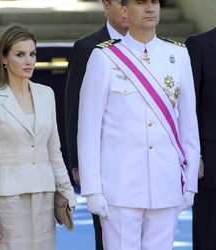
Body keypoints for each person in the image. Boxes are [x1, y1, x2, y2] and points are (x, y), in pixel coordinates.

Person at [77, 0, 200, 249]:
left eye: (154, 2)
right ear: (124, 10)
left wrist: (190, 182)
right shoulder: (104, 57)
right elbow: (88, 129)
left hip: (165, 181)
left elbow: (188, 123)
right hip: (119, 185)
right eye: (140, 2)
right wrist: (92, 189)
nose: (150, 8)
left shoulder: (178, 55)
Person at [0, 23, 77, 250]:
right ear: (3, 58)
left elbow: (54, 150)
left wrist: (67, 192)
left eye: (32, 54)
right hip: (6, 199)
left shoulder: (46, 94)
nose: (29, 61)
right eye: (20, 55)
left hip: (44, 194)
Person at [64, 1, 128, 248]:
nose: (125, 9)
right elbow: (74, 110)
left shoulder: (153, 48)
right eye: (120, 3)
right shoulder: (87, 47)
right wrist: (78, 164)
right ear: (106, 5)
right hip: (103, 162)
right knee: (108, 235)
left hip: (144, 161)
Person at [186, 28, 216, 250]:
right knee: (208, 238)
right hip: (211, 168)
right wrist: (195, 155)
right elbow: (188, 107)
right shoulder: (199, 45)